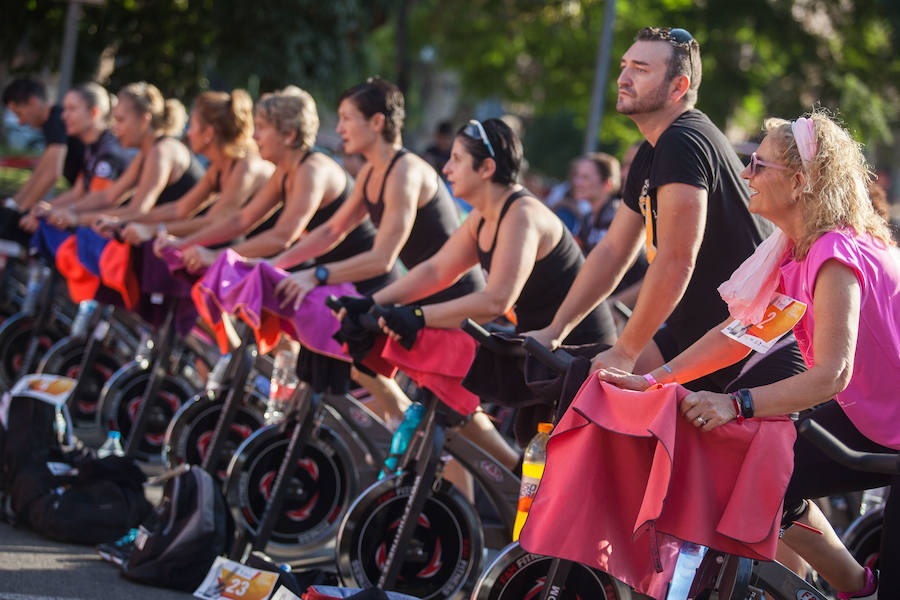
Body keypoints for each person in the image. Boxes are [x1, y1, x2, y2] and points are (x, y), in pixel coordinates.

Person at [599, 111, 898, 600]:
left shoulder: (834, 253)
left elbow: (833, 374)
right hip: (874, 418)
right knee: (760, 475)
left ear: (800, 182)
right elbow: (739, 334)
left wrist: (735, 403)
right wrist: (655, 381)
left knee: (765, 473)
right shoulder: (795, 250)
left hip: (883, 422)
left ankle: (861, 590)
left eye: (759, 165)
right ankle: (856, 588)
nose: (745, 175)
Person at [528, 27, 804, 393]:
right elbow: (612, 252)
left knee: (598, 394)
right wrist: (554, 330)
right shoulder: (652, 148)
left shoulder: (682, 141)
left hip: (755, 356)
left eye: (641, 70)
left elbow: (676, 258)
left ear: (678, 87)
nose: (623, 78)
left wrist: (625, 352)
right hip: (701, 337)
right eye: (625, 66)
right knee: (583, 389)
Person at [271, 77, 484, 423]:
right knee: (370, 367)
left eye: (346, 118)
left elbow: (383, 257)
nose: (339, 128)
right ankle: (401, 433)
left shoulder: (405, 172)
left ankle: (510, 467)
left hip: (454, 297)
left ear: (376, 122)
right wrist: (273, 266)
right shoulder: (372, 170)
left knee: (455, 419)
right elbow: (330, 231)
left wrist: (317, 273)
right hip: (424, 293)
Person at [118, 89, 274, 245]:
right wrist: (123, 221)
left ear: (208, 133)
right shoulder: (220, 167)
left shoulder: (245, 167)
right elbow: (178, 209)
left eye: (192, 126)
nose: (189, 133)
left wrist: (152, 230)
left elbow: (212, 222)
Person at [47, 81, 203, 230]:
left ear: (144, 120)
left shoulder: (161, 152)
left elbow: (137, 211)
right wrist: (60, 209)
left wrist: (77, 218)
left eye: (120, 120)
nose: (115, 127)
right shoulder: (146, 152)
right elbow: (109, 196)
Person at [14, 83, 131, 241]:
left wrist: (54, 212)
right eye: (65, 109)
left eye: (72, 109)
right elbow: (78, 192)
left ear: (93, 113)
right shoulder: (92, 148)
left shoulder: (108, 152)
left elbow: (98, 201)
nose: (64, 116)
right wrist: (44, 208)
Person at [2, 78, 85, 211]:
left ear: (33, 102)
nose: (20, 122)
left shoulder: (55, 121)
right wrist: (14, 202)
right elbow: (41, 170)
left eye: (19, 114)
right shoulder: (51, 122)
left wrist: (20, 210)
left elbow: (52, 173)